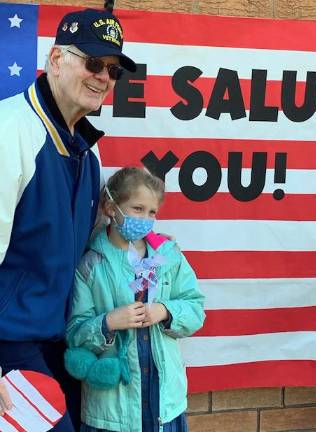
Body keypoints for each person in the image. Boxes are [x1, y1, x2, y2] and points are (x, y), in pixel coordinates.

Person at [0, 1, 136, 430]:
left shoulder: (87, 147)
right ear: (56, 59)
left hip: (62, 340)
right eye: (94, 62)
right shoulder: (10, 131)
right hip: (11, 343)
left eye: (112, 70)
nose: (103, 77)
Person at [64, 167, 205, 432]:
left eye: (152, 212)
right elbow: (74, 334)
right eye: (137, 209)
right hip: (111, 411)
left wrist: (165, 310)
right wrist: (108, 322)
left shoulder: (169, 256)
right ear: (110, 207)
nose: (146, 219)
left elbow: (196, 307)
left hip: (164, 404)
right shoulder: (91, 264)